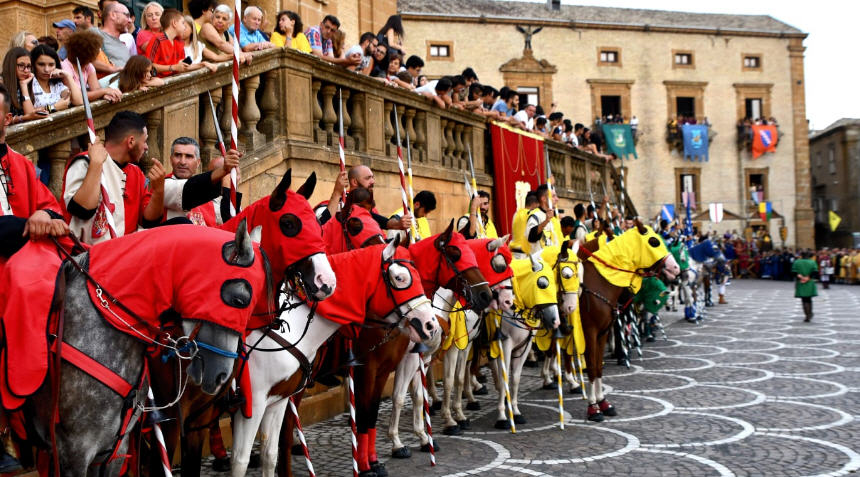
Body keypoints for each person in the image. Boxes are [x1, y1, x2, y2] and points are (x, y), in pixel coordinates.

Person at [62, 111, 166, 244]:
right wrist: (95, 165)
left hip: (125, 251)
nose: (146, 147)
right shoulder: (85, 162)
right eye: (145, 141)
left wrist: (158, 191)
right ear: (131, 141)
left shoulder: (136, 173)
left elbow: (149, 221)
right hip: (88, 254)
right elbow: (82, 210)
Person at [164, 136, 242, 226]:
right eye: (178, 155)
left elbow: (230, 222)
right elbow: (190, 189)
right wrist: (224, 170)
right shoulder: (163, 186)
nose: (182, 162)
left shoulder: (209, 198)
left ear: (198, 163)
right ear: (171, 160)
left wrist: (230, 184)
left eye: (188, 156)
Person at [323, 165, 412, 231]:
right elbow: (323, 225)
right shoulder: (339, 203)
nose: (373, 181)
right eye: (368, 178)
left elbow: (382, 222)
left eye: (373, 177)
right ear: (354, 181)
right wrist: (337, 192)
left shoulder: (369, 208)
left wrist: (398, 224)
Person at [147, 8, 216, 77]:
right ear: (174, 23)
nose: (184, 27)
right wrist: (173, 67)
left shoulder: (179, 42)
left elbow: (183, 67)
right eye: (183, 23)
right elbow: (149, 66)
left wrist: (203, 64)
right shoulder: (157, 40)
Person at [61, 30, 123, 104]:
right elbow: (77, 96)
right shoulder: (65, 66)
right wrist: (105, 91)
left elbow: (96, 89)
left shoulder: (88, 66)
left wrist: (105, 95)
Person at [29, 45, 83, 113]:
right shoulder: (29, 83)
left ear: (56, 65)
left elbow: (79, 101)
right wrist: (53, 107)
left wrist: (68, 75)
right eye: (41, 64)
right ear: (33, 64)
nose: (46, 69)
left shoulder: (56, 85)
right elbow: (29, 113)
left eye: (51, 65)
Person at [1, 48, 45, 124]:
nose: (26, 71)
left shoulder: (24, 82)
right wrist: (22, 118)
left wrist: (23, 86)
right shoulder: (1, 84)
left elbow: (30, 115)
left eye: (28, 66)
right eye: (21, 65)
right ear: (11, 65)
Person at [94, 1, 132, 74]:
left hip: (128, 82)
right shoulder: (94, 33)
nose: (130, 21)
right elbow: (83, 59)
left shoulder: (123, 45)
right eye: (127, 15)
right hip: (106, 83)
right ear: (113, 15)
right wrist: (111, 68)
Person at [526, 184, 562, 255]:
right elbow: (531, 237)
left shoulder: (554, 219)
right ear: (544, 199)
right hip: (540, 263)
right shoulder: (535, 215)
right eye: (553, 196)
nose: (557, 199)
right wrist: (546, 221)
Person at [509, 191, 538, 256]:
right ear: (534, 204)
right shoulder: (531, 215)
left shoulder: (517, 214)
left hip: (513, 253)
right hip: (525, 255)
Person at [792, 250, 818, 322]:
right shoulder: (812, 262)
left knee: (803, 300)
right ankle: (809, 314)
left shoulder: (797, 262)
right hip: (809, 282)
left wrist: (800, 277)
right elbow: (815, 271)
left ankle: (807, 315)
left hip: (801, 282)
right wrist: (808, 277)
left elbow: (793, 271)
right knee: (809, 299)